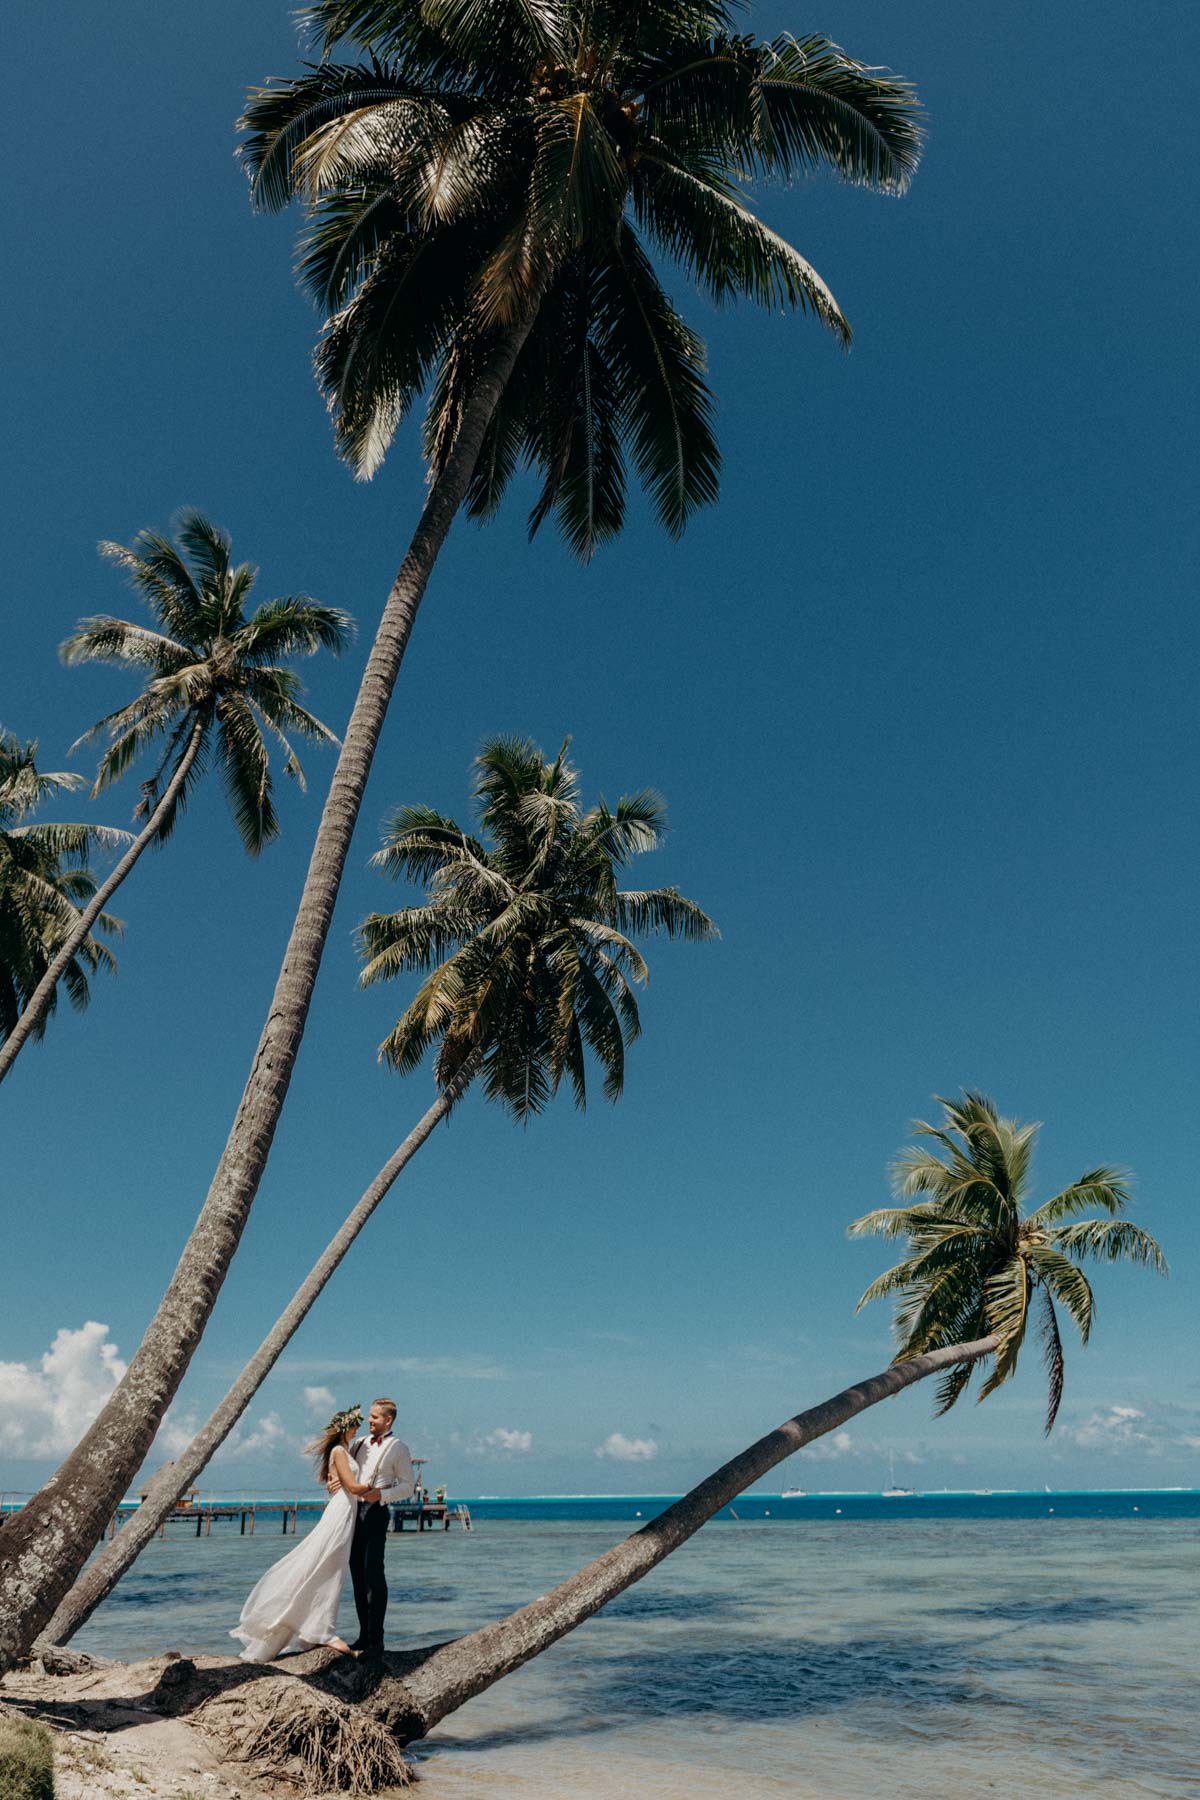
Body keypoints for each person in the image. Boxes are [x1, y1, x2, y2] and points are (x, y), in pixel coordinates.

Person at [230, 1403, 379, 1662]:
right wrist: (381, 1486)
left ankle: (315, 1628)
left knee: (331, 1569)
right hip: (341, 1512)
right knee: (326, 1567)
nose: (357, 1429)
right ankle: (323, 1631)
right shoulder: (339, 1451)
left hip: (346, 1511)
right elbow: (353, 1487)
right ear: (345, 1428)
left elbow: (342, 1484)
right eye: (355, 1425)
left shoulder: (343, 1451)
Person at [328, 1396, 415, 1654]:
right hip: (352, 1511)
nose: (369, 1420)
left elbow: (408, 1487)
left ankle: (377, 1639)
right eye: (369, 1415)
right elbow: (342, 1472)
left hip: (376, 1512)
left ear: (388, 1420)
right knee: (357, 1574)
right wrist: (333, 1482)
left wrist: (382, 1495)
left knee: (373, 1573)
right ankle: (363, 1636)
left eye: (375, 1417)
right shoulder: (358, 1443)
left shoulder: (399, 1448)